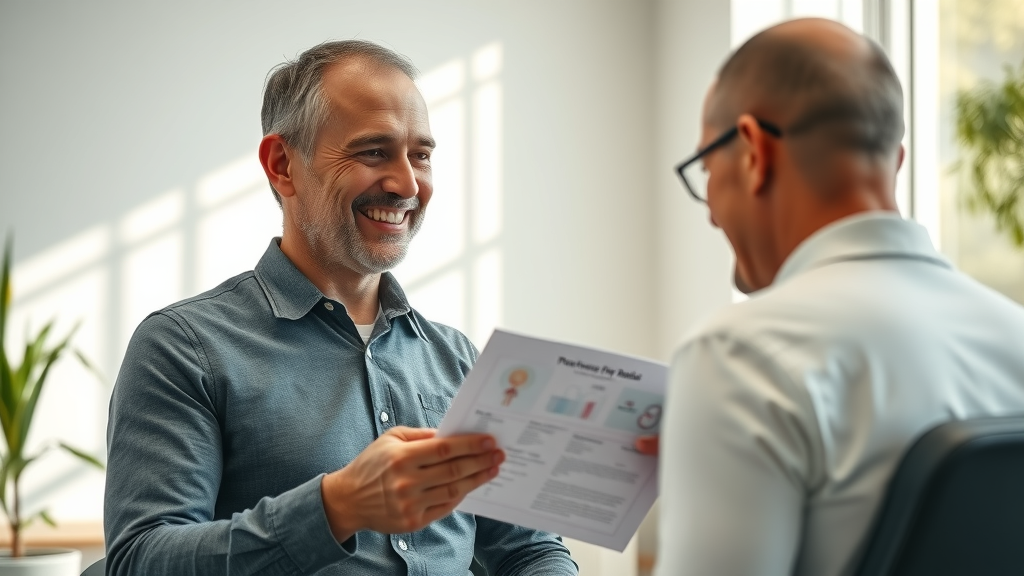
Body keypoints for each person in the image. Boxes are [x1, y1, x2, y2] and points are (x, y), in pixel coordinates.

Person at [104, 40, 578, 576]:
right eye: (373, 151)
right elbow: (140, 561)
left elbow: (529, 550)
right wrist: (337, 507)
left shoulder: (458, 359)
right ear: (283, 165)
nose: (406, 184)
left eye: (420, 154)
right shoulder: (183, 349)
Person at [636, 18, 1024, 576]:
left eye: (706, 167)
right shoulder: (1013, 335)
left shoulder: (741, 355)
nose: (710, 209)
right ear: (895, 162)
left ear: (752, 151)